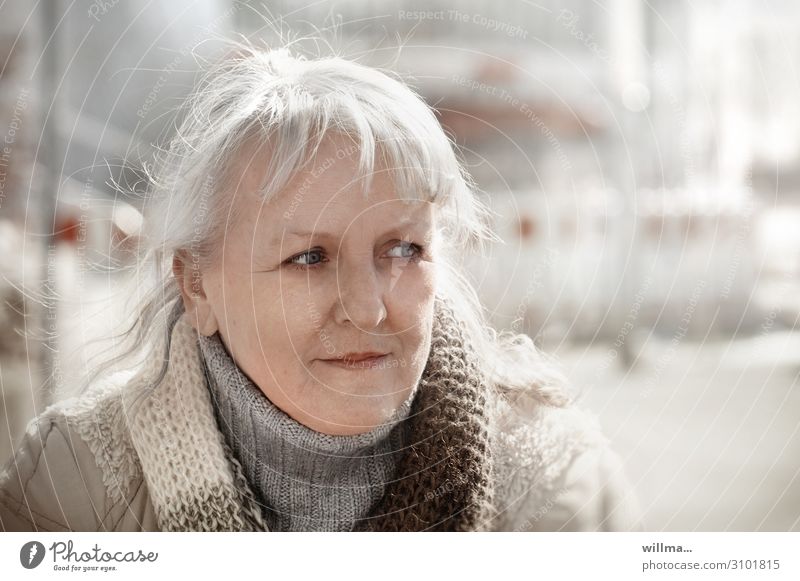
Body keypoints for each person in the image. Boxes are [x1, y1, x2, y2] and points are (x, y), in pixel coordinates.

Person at [0, 43, 641, 532]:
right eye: (308, 257)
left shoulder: (556, 483)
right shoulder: (75, 484)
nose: (367, 307)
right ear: (196, 287)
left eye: (402, 249)